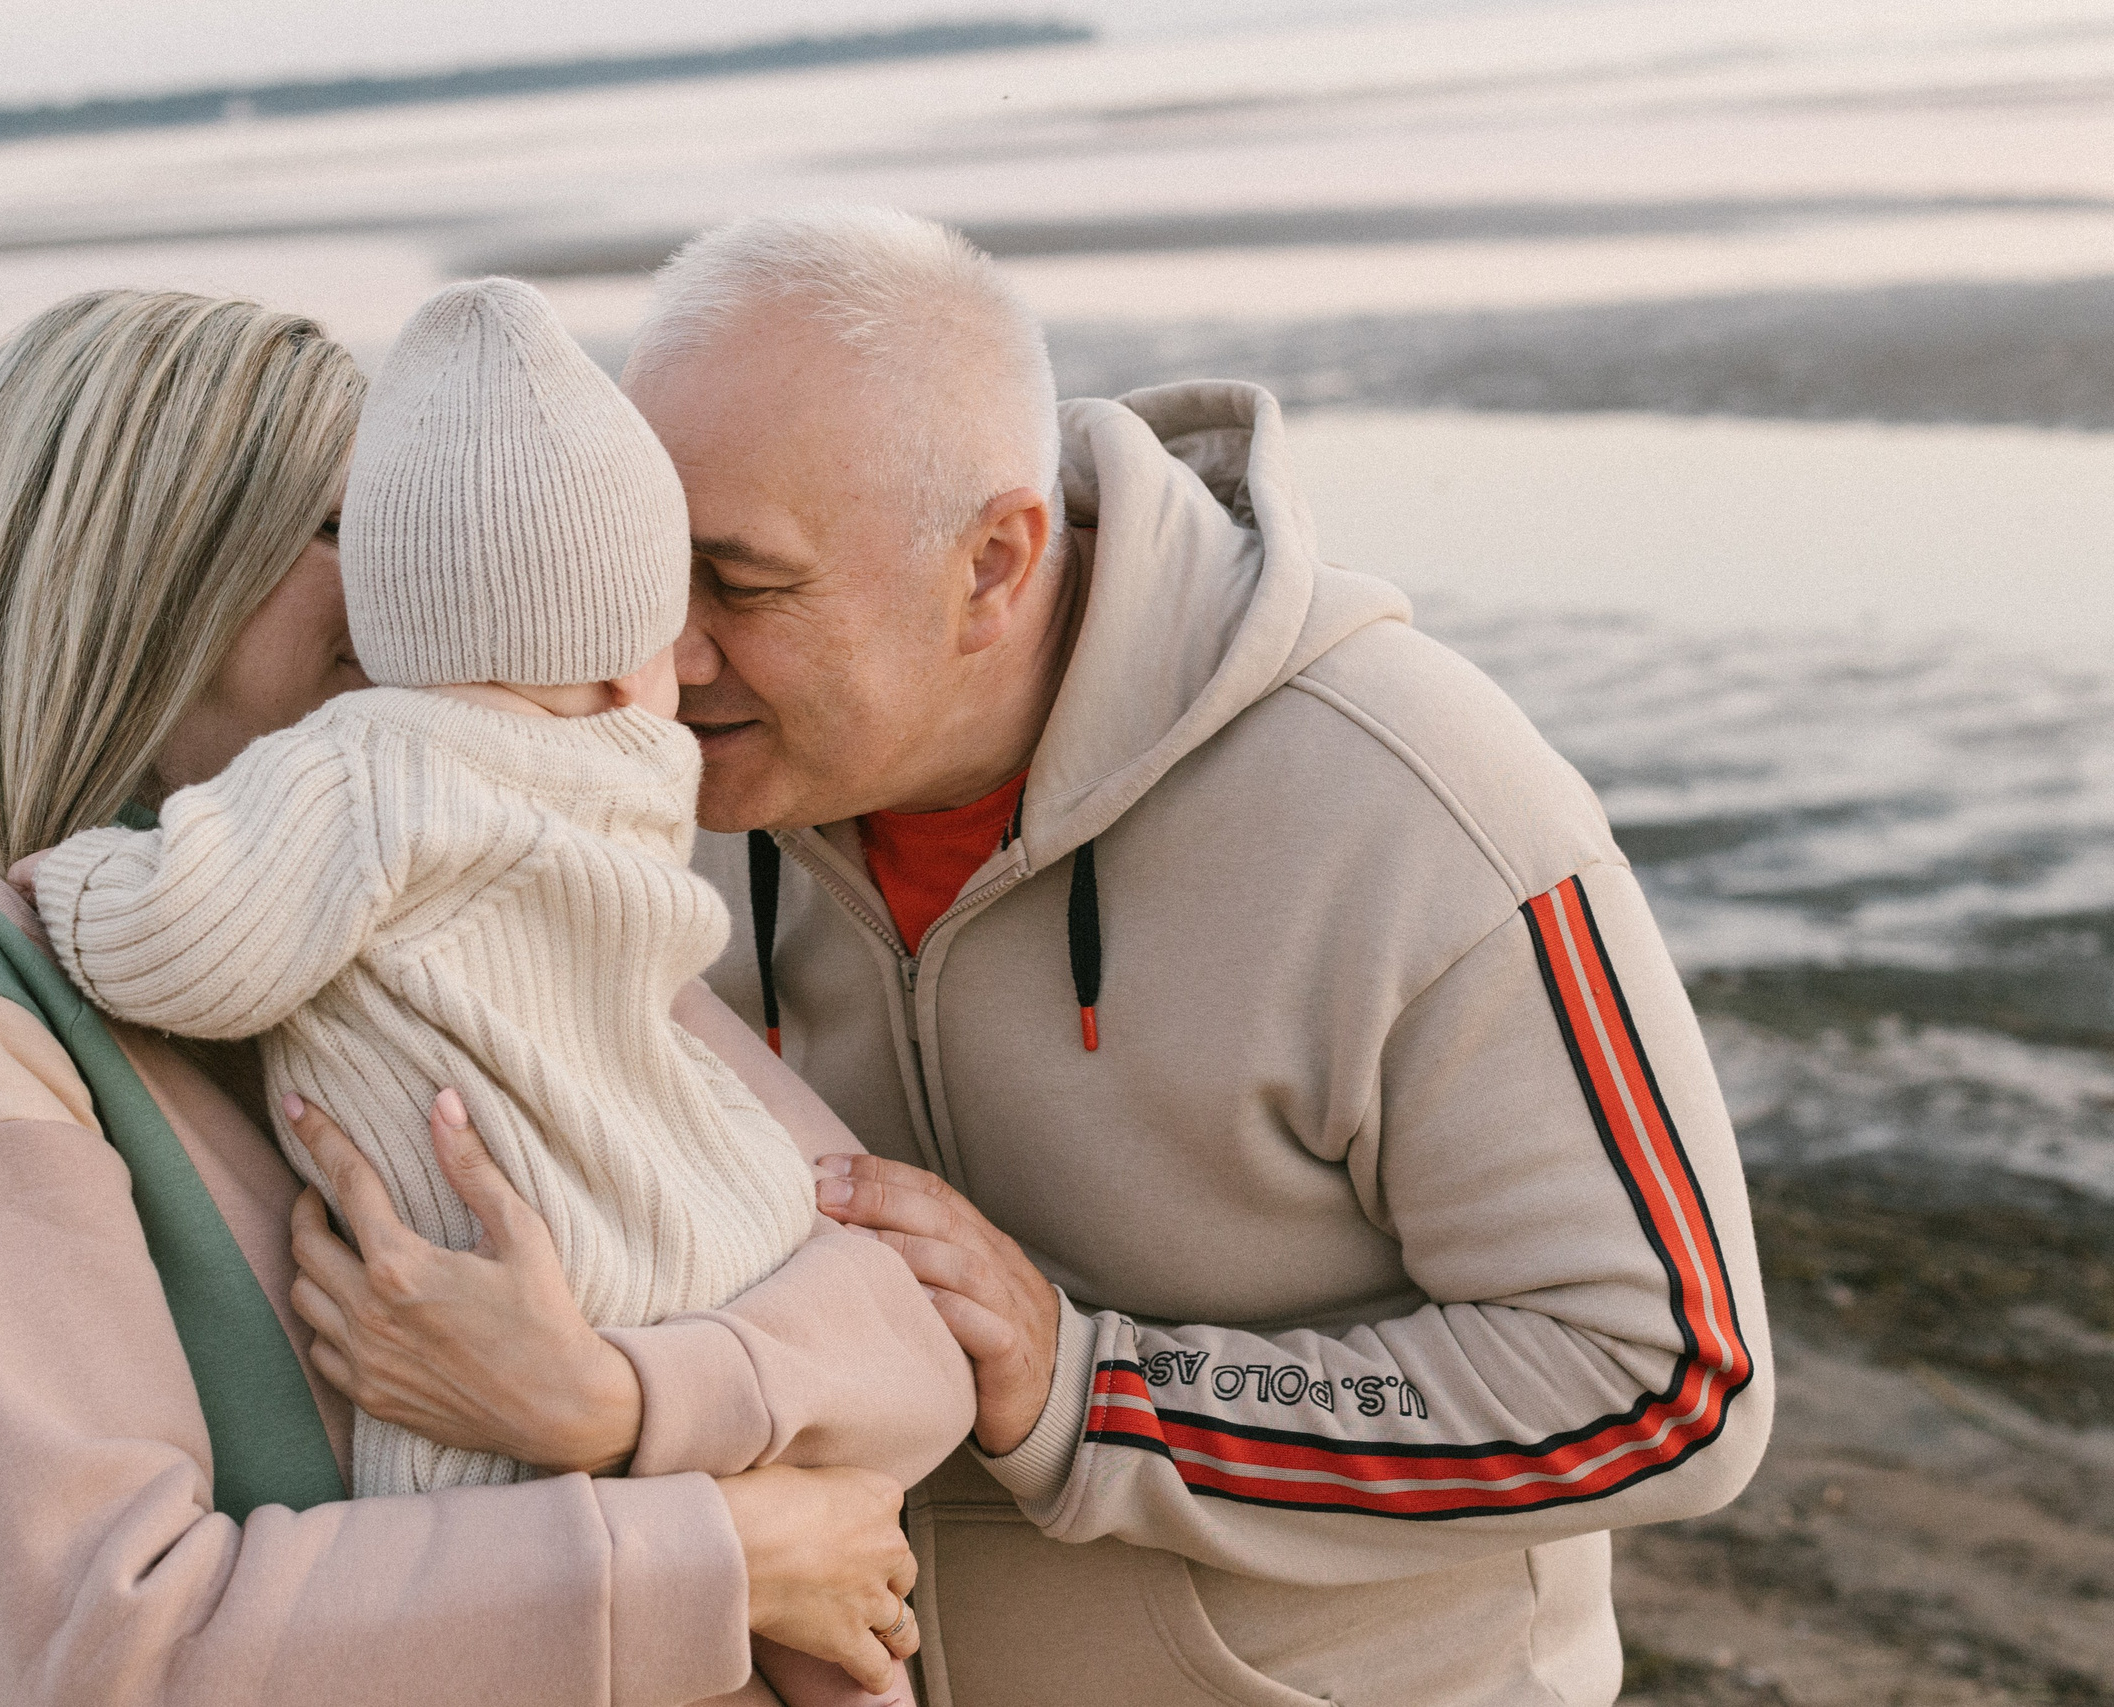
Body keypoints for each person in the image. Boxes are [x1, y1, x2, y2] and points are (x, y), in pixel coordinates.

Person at [0, 286, 972, 1706]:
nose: (418, 573)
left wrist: (608, 1401)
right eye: (351, 523)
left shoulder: (460, 868)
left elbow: (891, 1306)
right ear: (149, 563)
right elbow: (115, 1645)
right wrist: (727, 1551)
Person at [613, 205, 1777, 1707]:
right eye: (642, 565)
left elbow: (1666, 1384)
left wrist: (1095, 1392)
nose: (666, 655)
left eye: (746, 583)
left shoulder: (1415, 809)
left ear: (993, 564)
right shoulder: (647, 786)